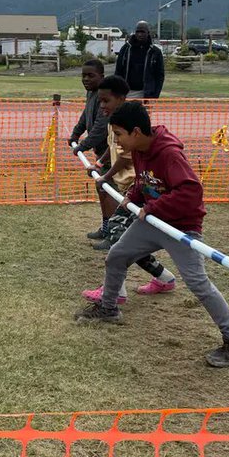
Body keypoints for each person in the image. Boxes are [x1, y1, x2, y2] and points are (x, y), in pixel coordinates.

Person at [75, 101, 229, 368]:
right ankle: (109, 308)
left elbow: (191, 192)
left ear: (136, 132)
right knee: (117, 256)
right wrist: (134, 196)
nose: (117, 142)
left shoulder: (169, 153)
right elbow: (144, 179)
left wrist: (154, 206)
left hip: (180, 227)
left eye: (120, 134)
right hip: (153, 222)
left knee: (197, 283)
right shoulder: (139, 148)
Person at [81, 75, 177, 300]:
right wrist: (99, 162)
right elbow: (112, 148)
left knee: (119, 236)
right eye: (100, 101)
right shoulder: (114, 123)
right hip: (130, 189)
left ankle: (115, 291)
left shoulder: (129, 125)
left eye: (106, 101)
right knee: (128, 241)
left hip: (140, 186)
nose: (102, 106)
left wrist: (105, 176)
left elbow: (125, 158)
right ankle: (165, 278)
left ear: (121, 99)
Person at [68, 58, 110, 241]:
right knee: (102, 189)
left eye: (90, 76)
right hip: (100, 152)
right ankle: (106, 226)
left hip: (112, 154)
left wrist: (82, 146)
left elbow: (101, 127)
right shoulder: (91, 94)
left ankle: (113, 232)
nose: (86, 79)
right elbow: (86, 116)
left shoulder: (104, 96)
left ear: (101, 76)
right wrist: (75, 134)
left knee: (109, 191)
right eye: (83, 76)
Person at [114, 21, 165, 100]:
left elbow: (159, 76)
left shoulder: (155, 52)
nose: (140, 34)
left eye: (142, 32)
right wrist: (117, 91)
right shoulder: (125, 49)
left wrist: (155, 95)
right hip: (126, 93)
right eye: (137, 32)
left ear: (148, 33)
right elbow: (118, 71)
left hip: (146, 94)